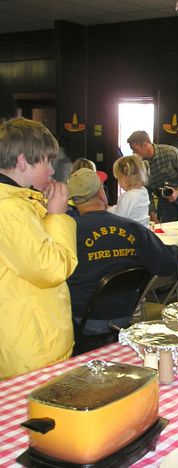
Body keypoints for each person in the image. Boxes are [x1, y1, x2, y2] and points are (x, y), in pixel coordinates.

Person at [0, 118, 78, 379]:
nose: (52, 171)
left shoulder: (16, 202)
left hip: (23, 338)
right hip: (32, 345)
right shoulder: (10, 209)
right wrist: (57, 216)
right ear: (23, 161)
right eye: (46, 161)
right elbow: (51, 268)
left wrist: (42, 207)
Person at [66, 168, 177, 337]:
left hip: (81, 321)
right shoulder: (133, 229)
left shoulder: (67, 232)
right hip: (125, 316)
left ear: (72, 201)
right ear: (101, 194)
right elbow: (167, 265)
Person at [127, 130, 178, 222]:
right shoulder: (141, 165)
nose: (134, 153)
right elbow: (146, 191)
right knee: (166, 230)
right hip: (165, 200)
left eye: (135, 150)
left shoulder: (170, 152)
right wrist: (153, 214)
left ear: (145, 144)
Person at [108, 154, 150, 227]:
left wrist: (108, 211)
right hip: (144, 230)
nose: (118, 182)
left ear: (125, 177)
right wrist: (111, 209)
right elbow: (122, 207)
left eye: (118, 178)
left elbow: (118, 218)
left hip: (132, 233)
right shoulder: (143, 191)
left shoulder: (127, 196)